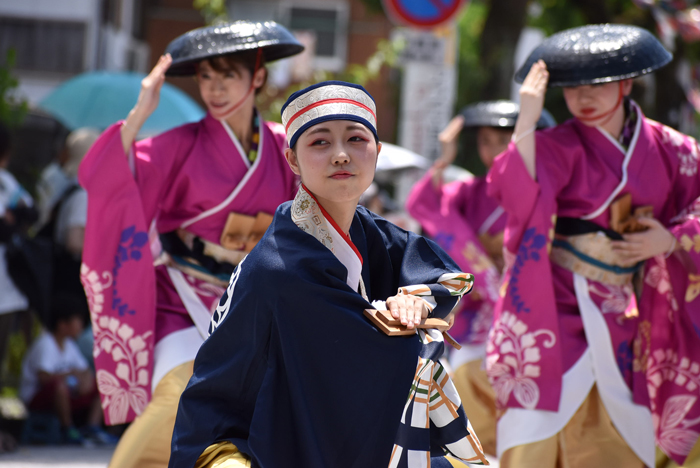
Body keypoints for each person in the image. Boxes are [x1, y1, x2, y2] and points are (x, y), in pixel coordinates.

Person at [169, 81, 489, 468]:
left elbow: (441, 274)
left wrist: (415, 299)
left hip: (331, 427)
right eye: (320, 143)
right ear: (292, 160)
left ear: (377, 152)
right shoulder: (279, 267)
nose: (341, 155)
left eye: (356, 139)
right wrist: (399, 318)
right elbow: (362, 351)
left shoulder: (368, 230)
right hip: (255, 440)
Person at [78, 21, 303, 467]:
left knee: (268, 420)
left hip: (254, 303)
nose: (214, 89)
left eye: (228, 76)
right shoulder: (177, 145)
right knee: (182, 393)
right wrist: (141, 112)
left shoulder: (285, 147)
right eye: (205, 76)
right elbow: (105, 178)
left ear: (257, 77)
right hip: (181, 299)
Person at [486, 24, 700, 467]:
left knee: (627, 434)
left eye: (597, 85)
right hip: (557, 303)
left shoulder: (672, 149)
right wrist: (527, 118)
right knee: (534, 429)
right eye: (573, 86)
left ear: (626, 83)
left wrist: (670, 238)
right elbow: (514, 193)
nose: (583, 96)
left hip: (635, 305)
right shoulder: (554, 144)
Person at [406, 101, 555, 456]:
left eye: (504, 140)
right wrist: (444, 159)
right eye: (486, 141)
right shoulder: (471, 191)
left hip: (535, 311)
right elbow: (425, 202)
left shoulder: (548, 191)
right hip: (478, 315)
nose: (493, 150)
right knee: (461, 397)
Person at [19, 293, 107, 444]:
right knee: (59, 387)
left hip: (68, 394)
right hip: (37, 399)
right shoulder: (46, 343)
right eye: (77, 320)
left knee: (102, 383)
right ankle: (69, 429)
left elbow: (84, 370)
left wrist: (84, 380)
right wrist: (70, 375)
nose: (81, 325)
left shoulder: (69, 344)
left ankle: (93, 427)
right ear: (63, 324)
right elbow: (43, 378)